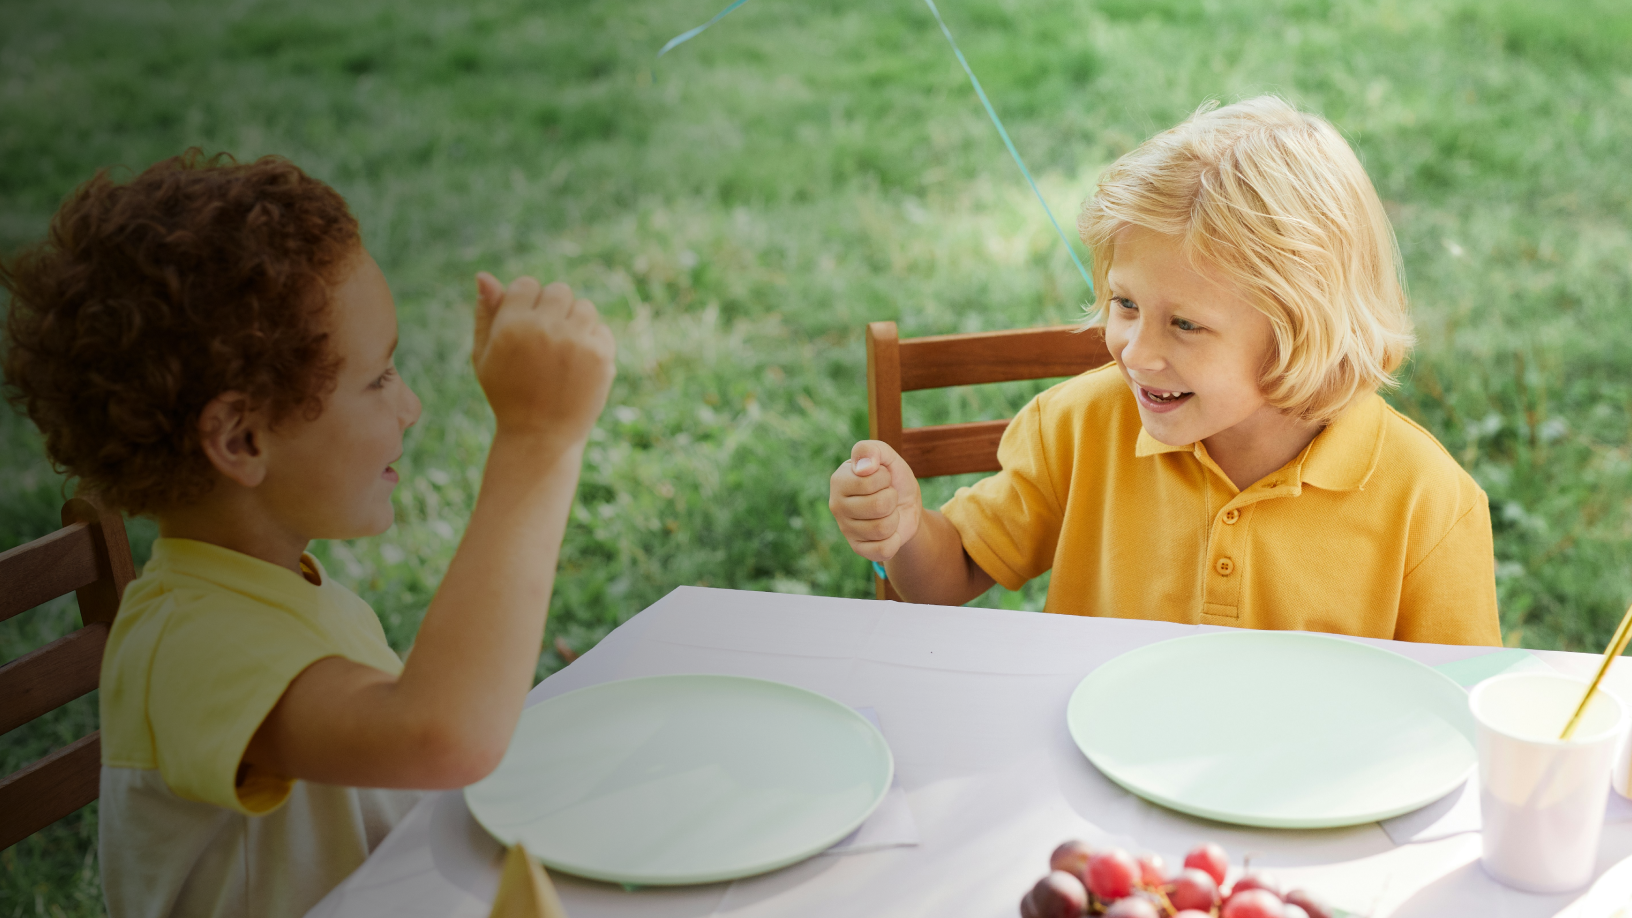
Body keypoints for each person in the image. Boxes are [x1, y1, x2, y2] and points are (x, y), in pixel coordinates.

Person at [0, 150, 615, 916]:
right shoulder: (190, 646)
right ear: (241, 440)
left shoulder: (266, 589)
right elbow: (441, 737)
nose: (411, 405)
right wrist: (536, 439)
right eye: (379, 378)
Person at [828, 96, 1501, 646]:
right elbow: (947, 578)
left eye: (1185, 324)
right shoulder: (1080, 426)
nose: (1135, 352)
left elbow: (1459, 711)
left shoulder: (1428, 501)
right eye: (1125, 303)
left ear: (1304, 330)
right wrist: (907, 529)